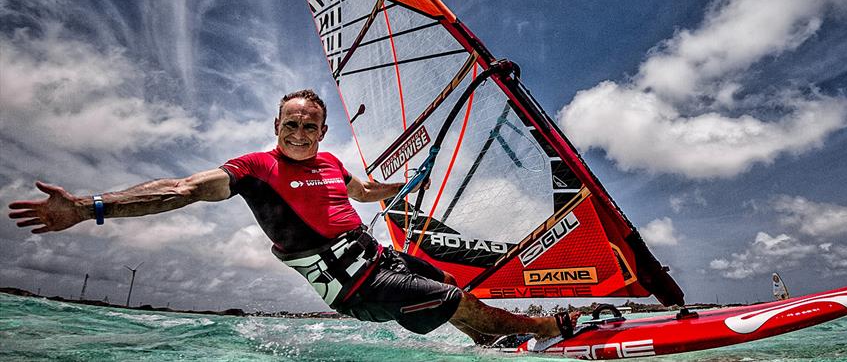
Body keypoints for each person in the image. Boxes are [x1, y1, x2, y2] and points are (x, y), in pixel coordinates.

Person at [7, 89, 577, 345]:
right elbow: (180, 190)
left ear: (322, 131)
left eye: (309, 126)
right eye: (290, 125)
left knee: (450, 284)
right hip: (353, 286)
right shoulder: (254, 168)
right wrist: (89, 207)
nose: (300, 134)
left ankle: (494, 342)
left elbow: (367, 189)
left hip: (378, 260)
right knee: (455, 302)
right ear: (275, 128)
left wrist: (404, 184)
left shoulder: (329, 160)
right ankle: (537, 332)